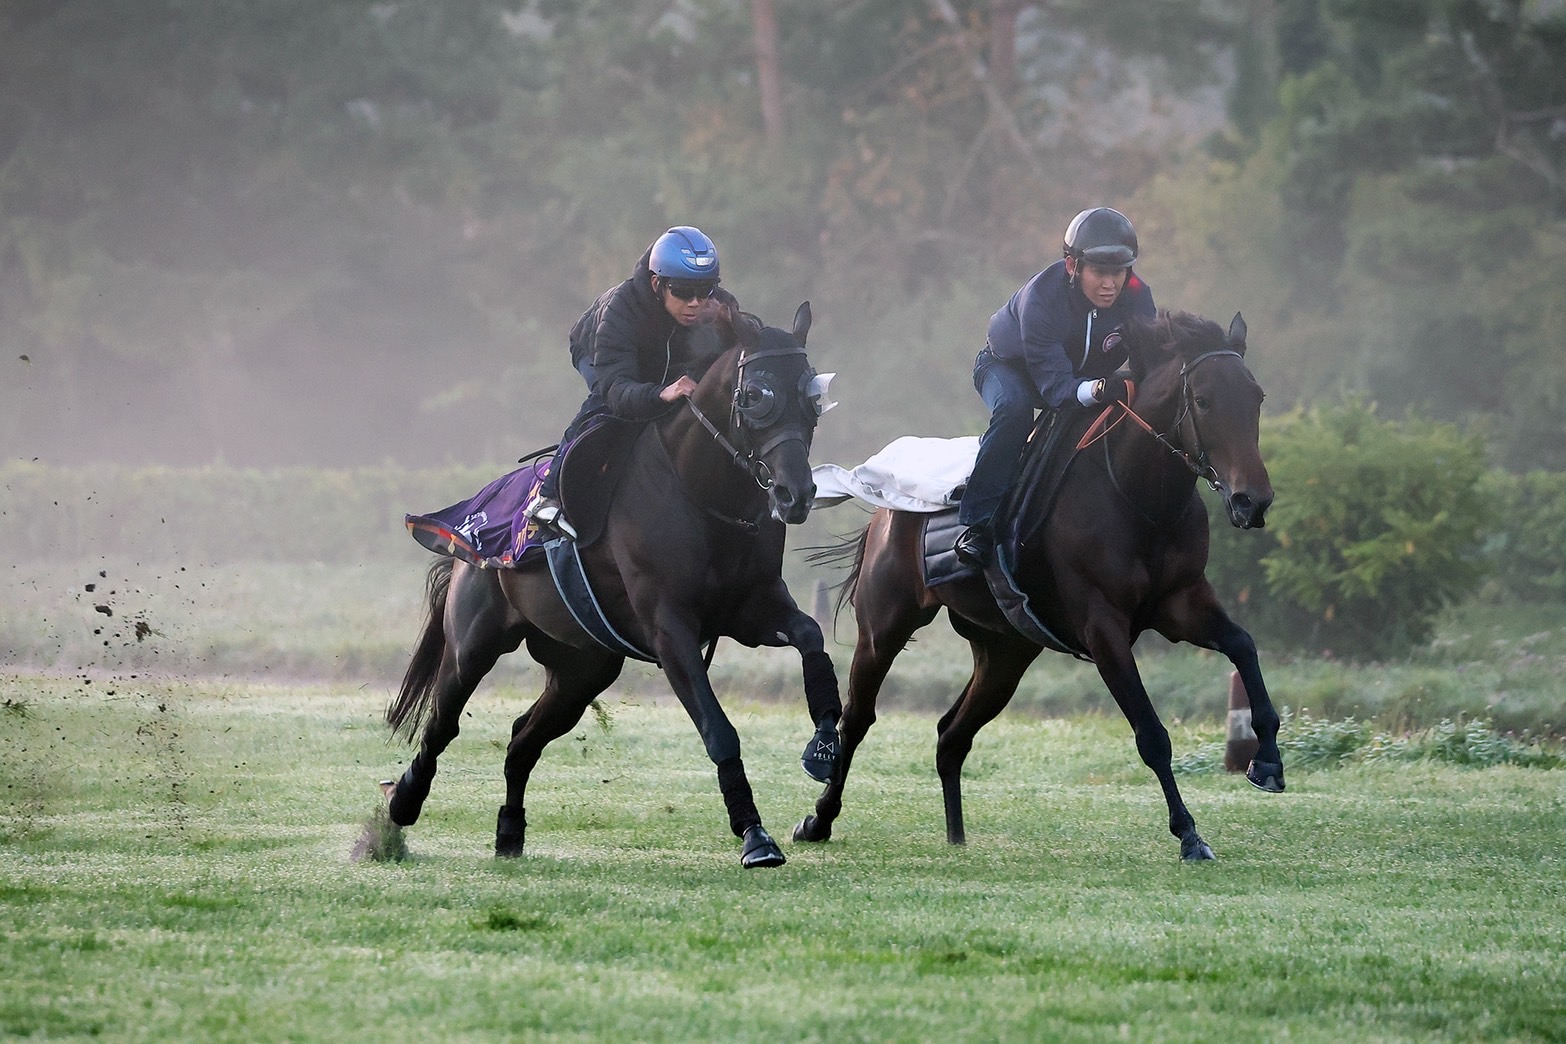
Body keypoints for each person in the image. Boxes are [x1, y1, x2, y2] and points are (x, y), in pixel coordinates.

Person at [954, 206, 1155, 567]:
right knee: (1014, 410)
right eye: (1099, 272)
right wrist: (1096, 390)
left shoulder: (1138, 295)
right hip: (1011, 370)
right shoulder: (1042, 297)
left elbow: (1149, 361)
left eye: (1119, 272)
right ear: (1071, 266)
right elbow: (1056, 389)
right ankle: (976, 524)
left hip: (1074, 378)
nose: (1111, 284)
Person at [525, 225, 729, 538]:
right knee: (606, 409)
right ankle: (547, 497)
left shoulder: (711, 304)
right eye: (684, 292)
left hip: (658, 358)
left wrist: (728, 321)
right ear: (657, 283)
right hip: (599, 354)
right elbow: (617, 389)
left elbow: (752, 339)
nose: (695, 302)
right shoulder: (621, 310)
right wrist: (661, 394)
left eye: (705, 291)